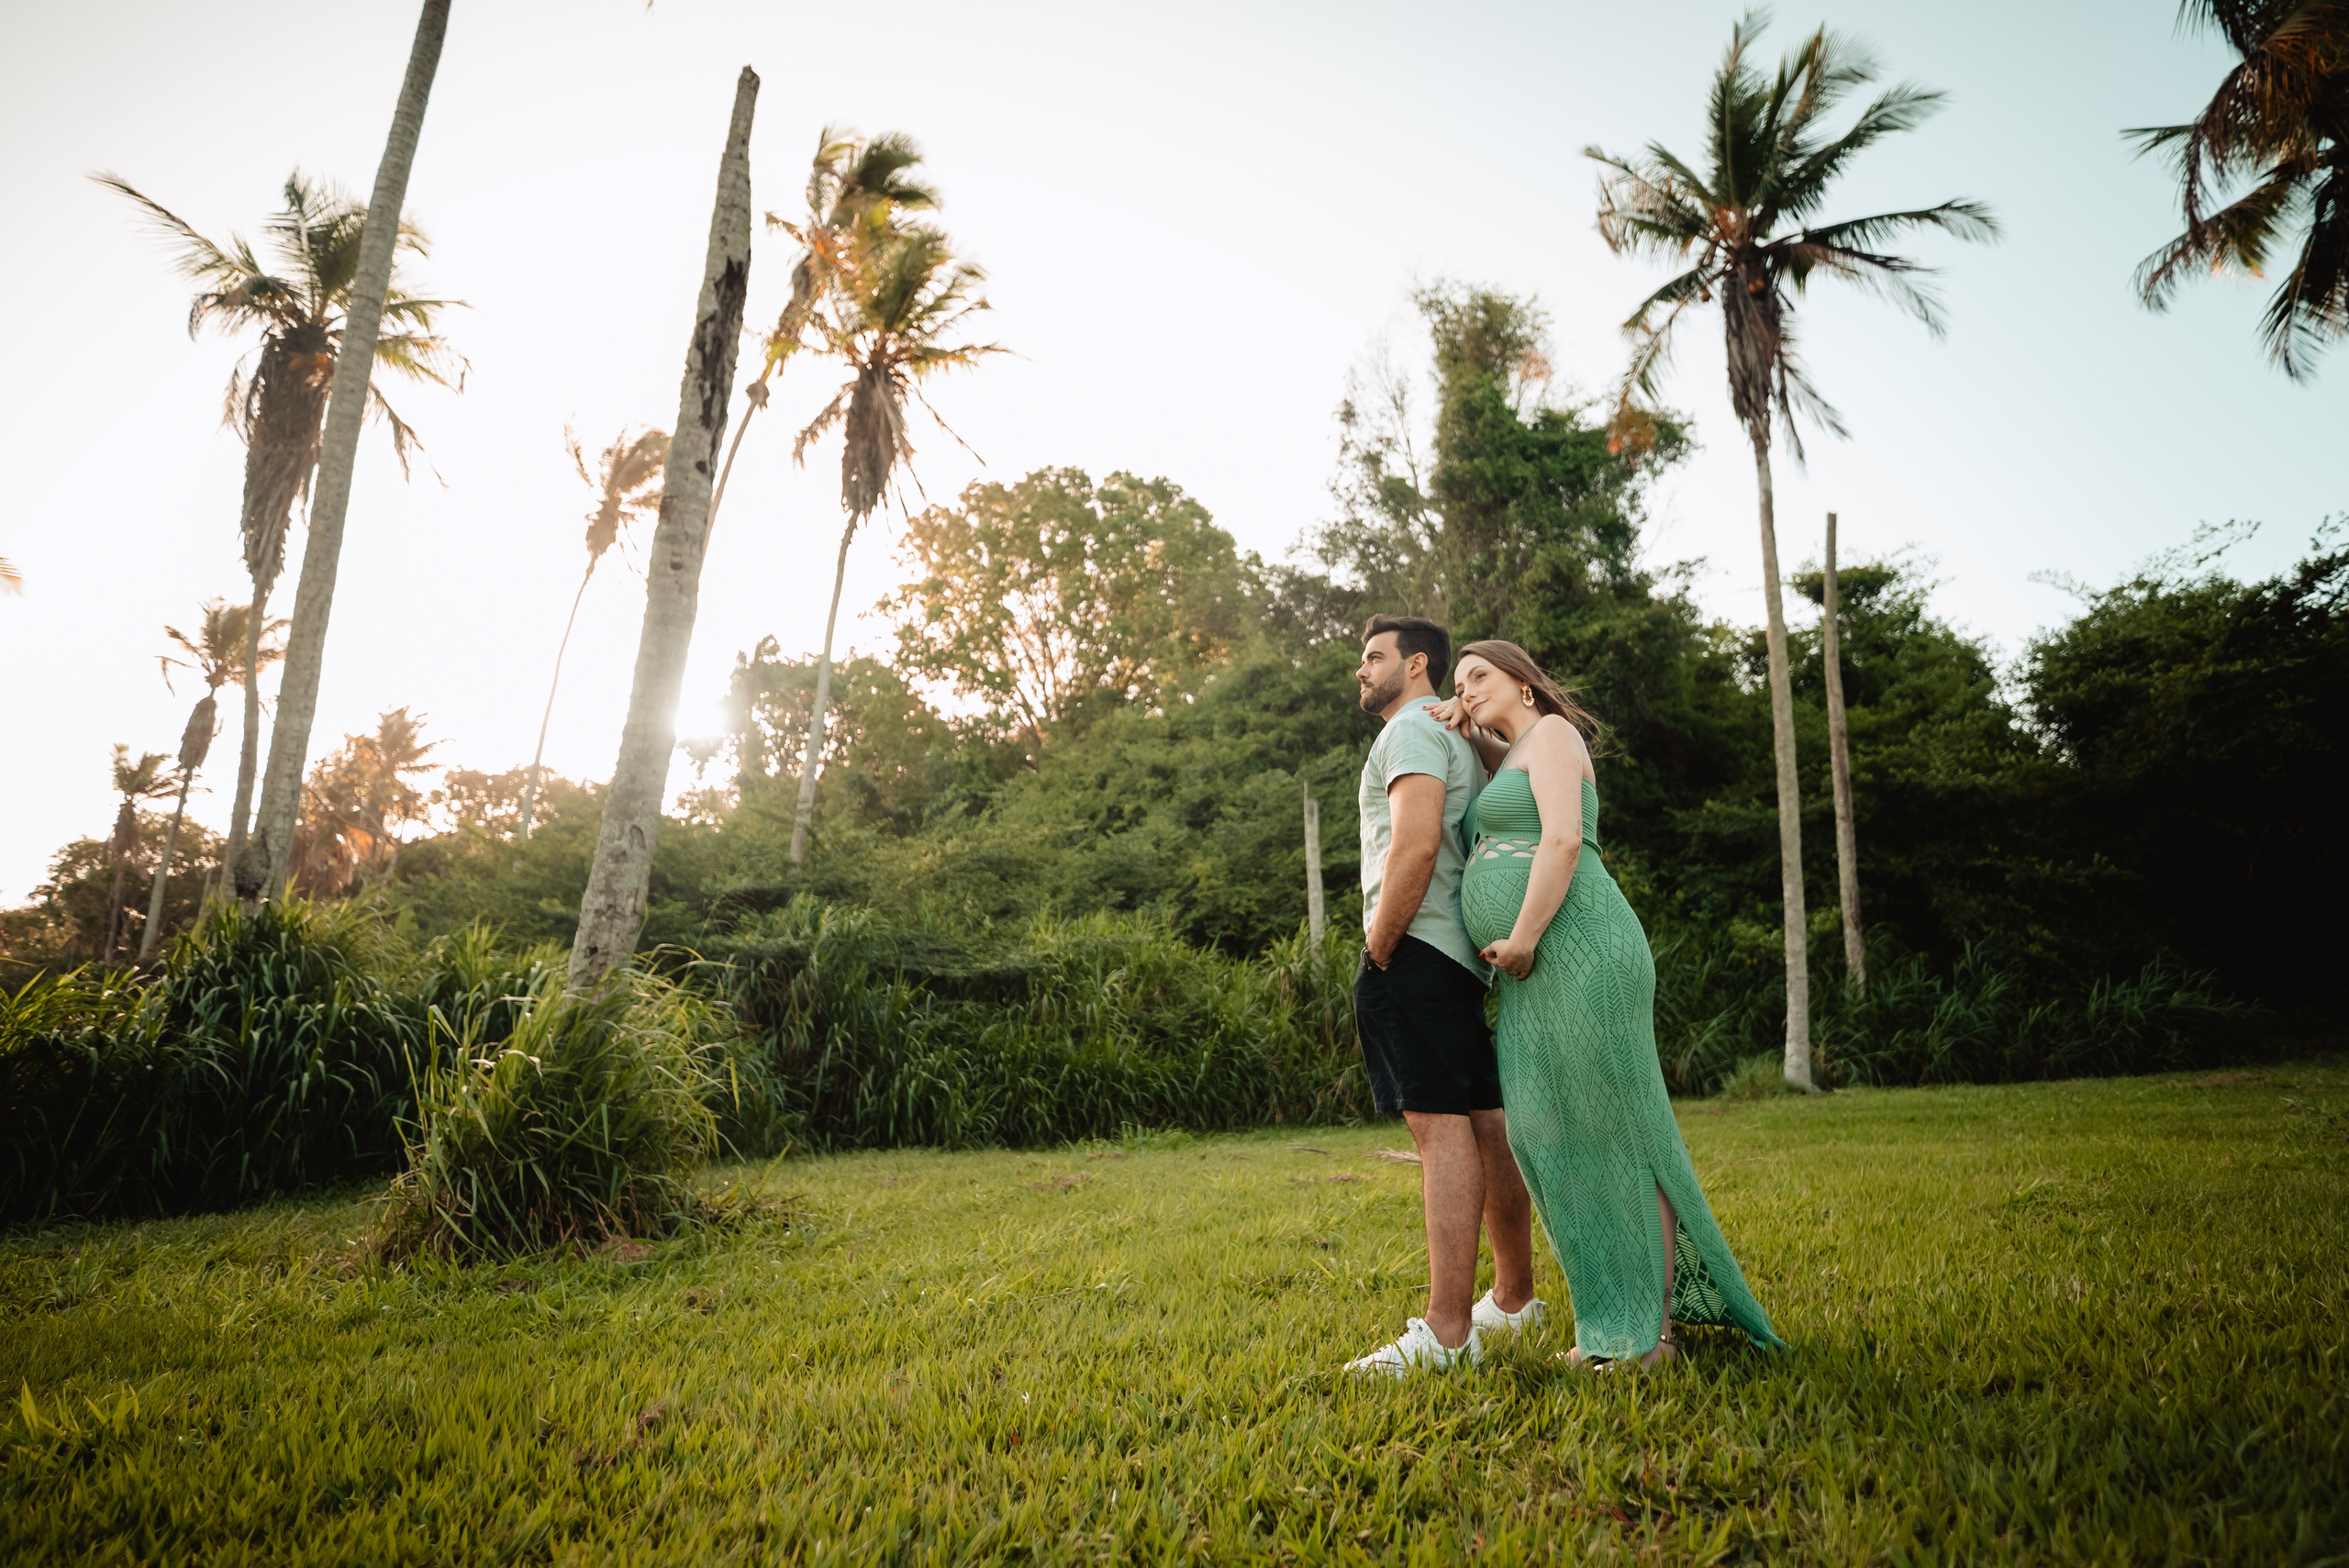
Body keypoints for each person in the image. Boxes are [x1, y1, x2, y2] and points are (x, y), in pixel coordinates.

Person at [1436, 638, 1786, 1369]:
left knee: (1618, 1133)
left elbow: (1562, 839)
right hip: (1532, 970)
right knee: (1540, 1132)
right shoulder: (1513, 752)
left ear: (1524, 684)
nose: (1465, 689)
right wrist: (1463, 727)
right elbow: (1495, 780)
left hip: (1581, 950)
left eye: (1479, 676)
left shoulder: (1554, 735)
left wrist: (1525, 935)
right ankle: (1610, 1321)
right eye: (1458, 681)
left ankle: (1649, 1335)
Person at [1341, 615, 1543, 1378]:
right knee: (1484, 1122)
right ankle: (1515, 1304)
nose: (1361, 671)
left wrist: (1379, 947)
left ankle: (1448, 1331)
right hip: (1458, 956)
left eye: (1373, 657)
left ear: (1416, 661)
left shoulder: (1412, 733)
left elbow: (1416, 842)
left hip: (1417, 949)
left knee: (1441, 1132)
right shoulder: (1452, 733)